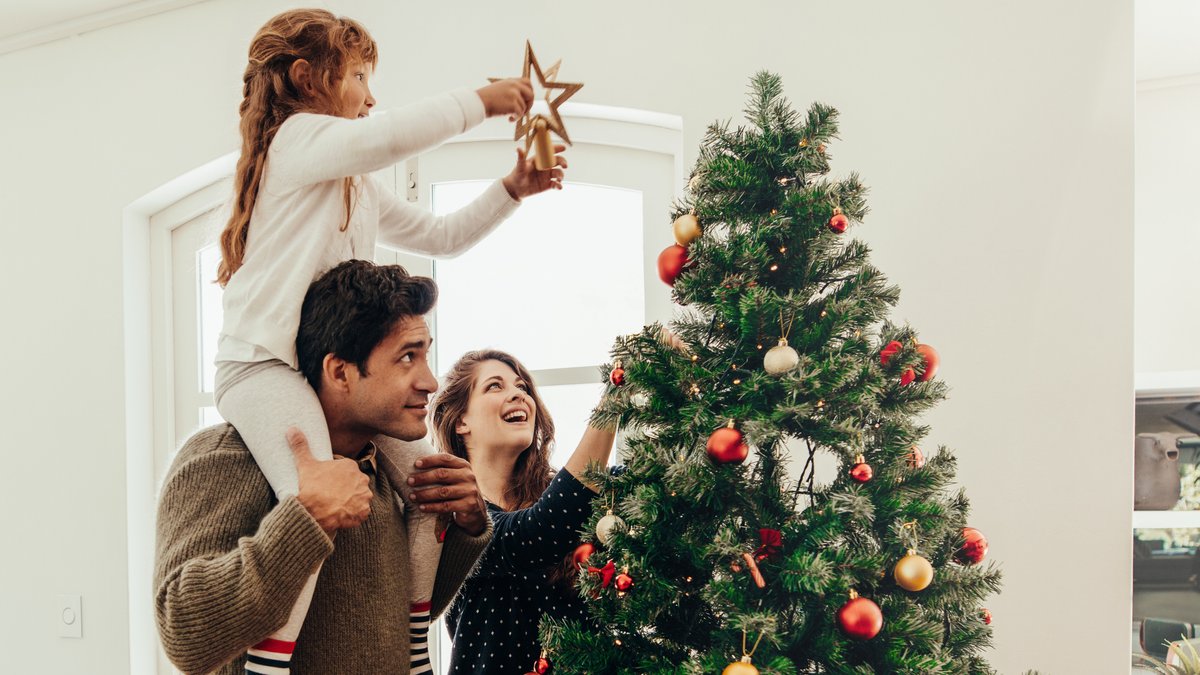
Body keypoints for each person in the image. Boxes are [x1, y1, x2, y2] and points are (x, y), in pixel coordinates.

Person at [210, 9, 565, 673]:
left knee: (431, 486)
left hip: (324, 371)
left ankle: (412, 648)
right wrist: (480, 102)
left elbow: (444, 236)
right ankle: (268, 662)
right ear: (307, 78)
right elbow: (389, 137)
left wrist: (512, 188)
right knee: (311, 493)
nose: (372, 97)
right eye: (360, 77)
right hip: (261, 367)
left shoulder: (357, 184)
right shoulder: (296, 142)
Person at [155, 260, 491, 674]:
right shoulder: (226, 455)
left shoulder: (381, 469)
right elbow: (184, 634)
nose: (430, 381)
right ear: (340, 372)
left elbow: (392, 624)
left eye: (425, 355)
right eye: (407, 357)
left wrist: (467, 526)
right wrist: (306, 519)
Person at [429, 349, 617, 674]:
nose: (518, 394)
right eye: (495, 386)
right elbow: (538, 533)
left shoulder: (566, 500)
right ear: (461, 421)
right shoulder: (454, 514)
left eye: (522, 387)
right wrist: (617, 392)